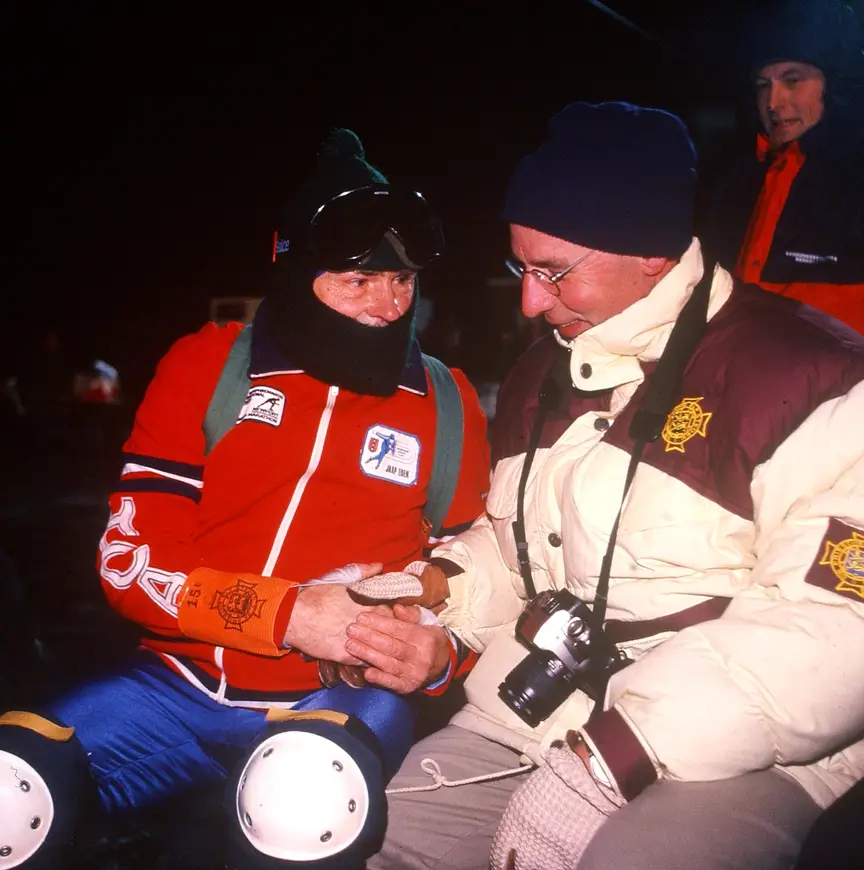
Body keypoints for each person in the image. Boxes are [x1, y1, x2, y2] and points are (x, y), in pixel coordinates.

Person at [349, 101, 864, 870]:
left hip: (746, 754)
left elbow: (833, 632)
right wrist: (436, 591)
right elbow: (523, 549)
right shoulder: (540, 372)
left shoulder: (815, 376)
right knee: (352, 833)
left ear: (652, 253)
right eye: (519, 267)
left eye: (553, 270)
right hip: (530, 723)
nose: (529, 300)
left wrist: (612, 756)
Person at [0, 128, 490, 870]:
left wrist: (441, 654)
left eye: (403, 281)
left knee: (301, 797)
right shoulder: (209, 364)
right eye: (357, 281)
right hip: (178, 686)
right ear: (294, 270)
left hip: (333, 702)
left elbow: (480, 576)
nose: (388, 305)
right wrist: (288, 614)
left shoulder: (446, 402)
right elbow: (129, 563)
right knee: (12, 791)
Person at [704, 0, 864, 333]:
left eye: (792, 81)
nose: (774, 103)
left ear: (834, 86)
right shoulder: (734, 181)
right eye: (763, 85)